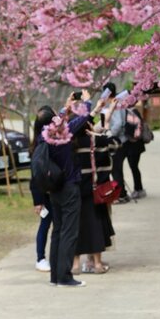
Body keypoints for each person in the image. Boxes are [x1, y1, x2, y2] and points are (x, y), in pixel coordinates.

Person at [34, 90, 105, 287]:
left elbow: (64, 120)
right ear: (54, 120)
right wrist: (88, 102)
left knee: (57, 231)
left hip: (54, 189)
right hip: (69, 186)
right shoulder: (64, 134)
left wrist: (67, 106)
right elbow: (82, 119)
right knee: (69, 232)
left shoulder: (43, 136)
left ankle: (55, 276)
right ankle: (65, 276)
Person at [71, 116, 119, 274]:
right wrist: (104, 130)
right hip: (96, 190)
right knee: (96, 226)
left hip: (77, 190)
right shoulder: (97, 140)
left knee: (75, 227)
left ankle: (75, 265)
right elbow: (115, 145)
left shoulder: (71, 143)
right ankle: (97, 264)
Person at [29, 174, 52, 272]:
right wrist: (38, 201)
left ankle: (56, 256)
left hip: (56, 194)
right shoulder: (38, 159)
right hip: (45, 197)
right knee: (44, 225)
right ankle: (40, 258)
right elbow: (35, 180)